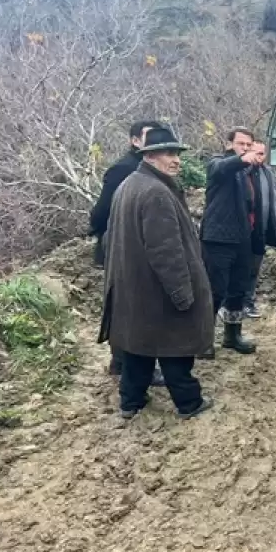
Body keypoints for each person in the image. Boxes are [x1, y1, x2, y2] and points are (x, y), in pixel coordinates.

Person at [98, 127, 214, 420]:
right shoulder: (156, 192)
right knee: (175, 348)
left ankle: (130, 401)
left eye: (177, 154)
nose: (176, 160)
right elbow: (166, 253)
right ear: (149, 156)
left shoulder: (130, 184)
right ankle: (190, 403)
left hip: (134, 289)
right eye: (169, 154)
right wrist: (183, 295)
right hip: (157, 292)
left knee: (139, 346)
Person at [89, 119, 165, 387]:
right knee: (128, 305)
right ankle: (125, 362)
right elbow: (100, 213)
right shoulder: (123, 169)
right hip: (122, 248)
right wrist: (108, 236)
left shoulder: (147, 169)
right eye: (149, 137)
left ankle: (122, 362)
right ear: (135, 141)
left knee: (131, 305)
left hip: (133, 246)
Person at [198, 127, 261, 359]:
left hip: (242, 238)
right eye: (240, 144)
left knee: (238, 290)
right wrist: (242, 159)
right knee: (213, 292)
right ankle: (203, 340)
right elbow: (220, 168)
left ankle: (232, 336)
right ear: (229, 144)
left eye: (248, 145)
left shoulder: (246, 172)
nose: (245, 149)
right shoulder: (219, 164)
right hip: (217, 238)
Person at [220, 139, 276, 319]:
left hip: (260, 230)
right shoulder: (240, 173)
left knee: (254, 269)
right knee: (238, 271)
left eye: (262, 154)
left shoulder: (268, 174)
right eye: (255, 153)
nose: (258, 157)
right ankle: (231, 306)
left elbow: (275, 202)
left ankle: (248, 302)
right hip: (241, 231)